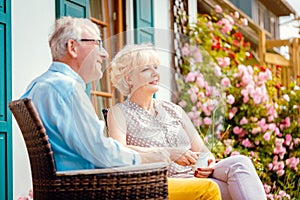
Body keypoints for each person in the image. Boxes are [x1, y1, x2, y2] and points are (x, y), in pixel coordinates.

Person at [20, 17, 221, 199]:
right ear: (72, 47)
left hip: (72, 184)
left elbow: (92, 148)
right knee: (208, 190)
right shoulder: (66, 89)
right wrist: (155, 156)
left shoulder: (39, 86)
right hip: (93, 187)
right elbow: (103, 153)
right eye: (97, 44)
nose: (104, 54)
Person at [108, 43, 267, 200]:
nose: (155, 74)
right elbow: (119, 151)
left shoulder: (173, 110)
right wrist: (168, 153)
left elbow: (203, 152)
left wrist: (208, 164)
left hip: (197, 179)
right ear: (129, 78)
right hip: (164, 185)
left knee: (240, 163)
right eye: (146, 69)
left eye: (156, 67)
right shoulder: (119, 112)